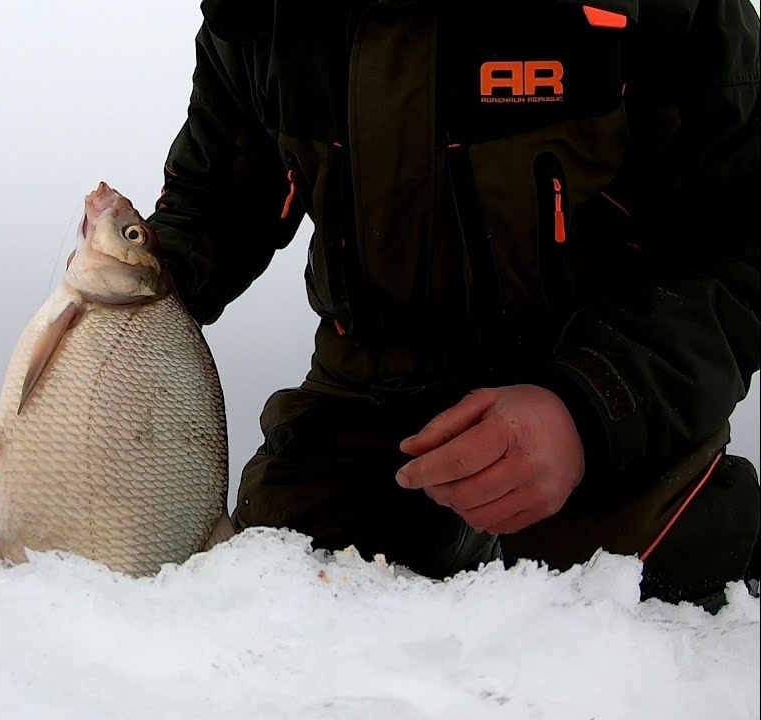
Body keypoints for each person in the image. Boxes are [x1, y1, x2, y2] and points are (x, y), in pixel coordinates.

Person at [146, 0, 760, 609]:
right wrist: (126, 290)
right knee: (258, 598)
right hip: (362, 393)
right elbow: (212, 202)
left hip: (604, 385)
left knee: (635, 608)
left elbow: (738, 248)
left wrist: (586, 410)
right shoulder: (259, 14)